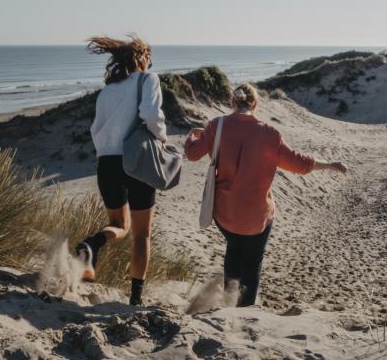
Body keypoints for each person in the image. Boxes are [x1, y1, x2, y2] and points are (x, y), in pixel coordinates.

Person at [184, 83, 347, 307]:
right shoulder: (270, 134)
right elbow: (299, 164)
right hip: (256, 215)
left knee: (234, 248)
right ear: (256, 104)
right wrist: (329, 165)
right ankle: (245, 309)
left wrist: (191, 137)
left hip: (226, 213)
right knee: (252, 262)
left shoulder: (216, 126)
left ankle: (227, 303)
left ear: (233, 102)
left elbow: (192, 155)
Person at [76, 35, 167, 306]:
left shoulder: (107, 91)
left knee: (118, 225)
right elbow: (151, 114)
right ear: (142, 58)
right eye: (149, 58)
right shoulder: (148, 79)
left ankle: (92, 244)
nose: (150, 62)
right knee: (141, 235)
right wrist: (161, 137)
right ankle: (136, 299)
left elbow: (96, 130)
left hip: (107, 162)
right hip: (136, 161)